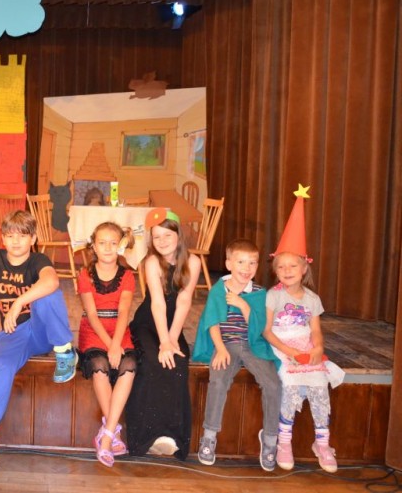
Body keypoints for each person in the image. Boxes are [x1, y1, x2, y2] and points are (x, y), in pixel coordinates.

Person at [0, 210, 78, 469]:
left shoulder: (39, 260)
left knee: (47, 294)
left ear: (33, 238)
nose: (15, 241)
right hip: (12, 332)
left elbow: (52, 281)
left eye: (22, 235)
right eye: (9, 235)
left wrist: (18, 303)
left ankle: (64, 350)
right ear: (2, 238)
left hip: (40, 330)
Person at [261, 185, 343, 472]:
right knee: (290, 386)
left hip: (305, 345)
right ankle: (284, 441)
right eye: (281, 267)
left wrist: (318, 347)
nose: (286, 271)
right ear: (275, 270)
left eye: (292, 266)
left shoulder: (312, 299)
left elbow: (316, 329)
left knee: (319, 385)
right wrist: (289, 351)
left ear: (304, 268)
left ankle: (322, 442)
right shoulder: (273, 296)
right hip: (281, 346)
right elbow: (267, 331)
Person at [192, 239, 281, 471]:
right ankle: (209, 436)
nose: (246, 268)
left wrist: (244, 305)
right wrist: (220, 348)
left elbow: (259, 326)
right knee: (219, 380)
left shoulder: (259, 293)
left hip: (253, 345)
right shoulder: (218, 290)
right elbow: (212, 321)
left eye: (252, 263)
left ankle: (270, 439)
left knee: (273, 384)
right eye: (241, 262)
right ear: (229, 264)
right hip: (226, 344)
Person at [125, 208, 200, 460]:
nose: (162, 241)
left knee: (177, 361)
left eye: (167, 235)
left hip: (173, 324)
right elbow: (157, 303)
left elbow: (184, 301)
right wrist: (163, 341)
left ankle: (171, 435)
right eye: (156, 237)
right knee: (152, 361)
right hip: (149, 323)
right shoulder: (152, 262)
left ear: (179, 235)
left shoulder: (193, 262)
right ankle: (146, 436)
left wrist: (171, 340)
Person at [78, 222, 137, 467]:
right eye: (102, 243)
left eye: (113, 243)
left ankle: (107, 435)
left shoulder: (128, 276)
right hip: (94, 330)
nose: (108, 248)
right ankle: (113, 436)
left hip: (119, 329)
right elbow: (92, 314)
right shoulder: (85, 274)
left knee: (129, 365)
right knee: (100, 366)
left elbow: (123, 312)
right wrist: (109, 345)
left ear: (121, 245)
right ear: (93, 246)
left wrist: (116, 343)